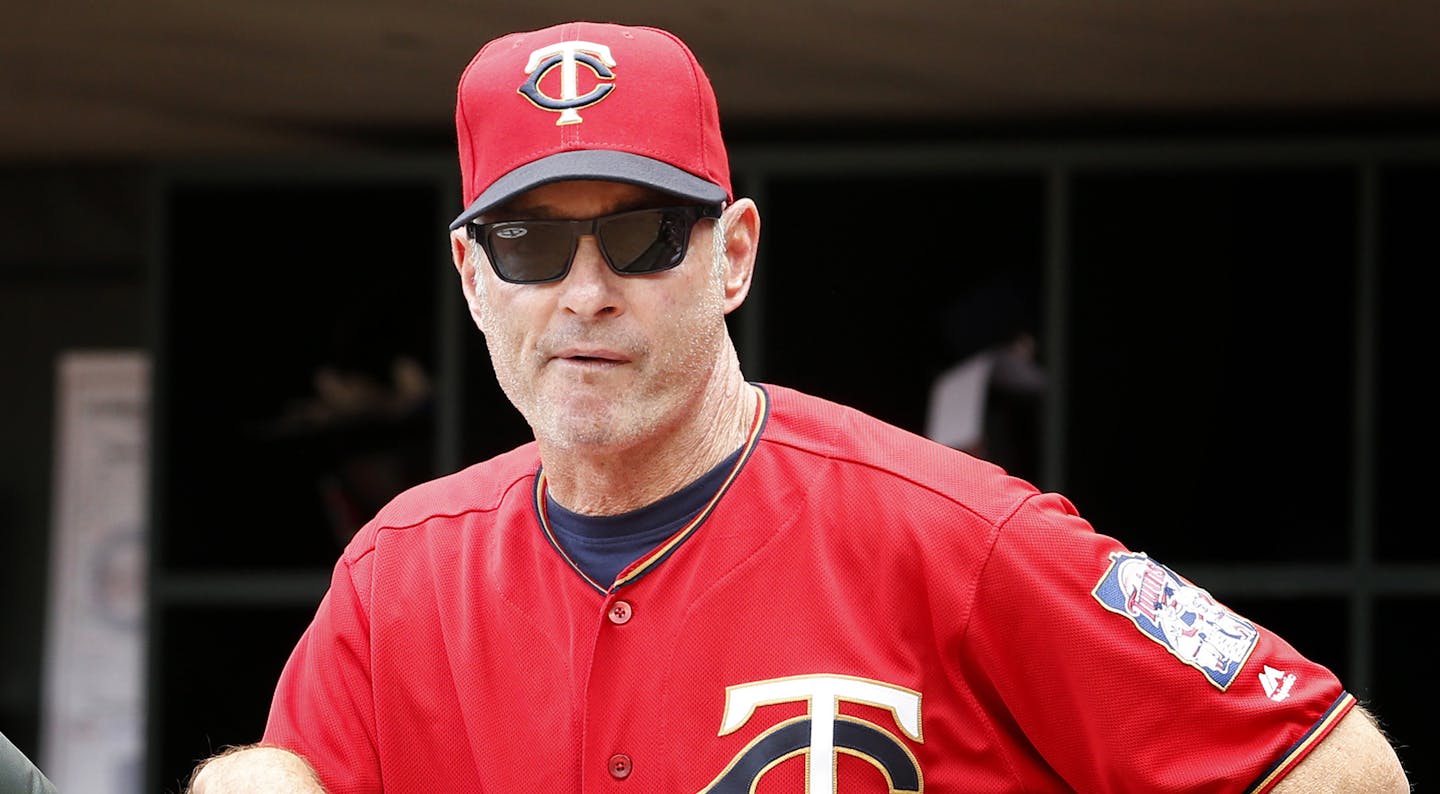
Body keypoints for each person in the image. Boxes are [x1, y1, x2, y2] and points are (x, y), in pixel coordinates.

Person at [187, 20, 1409, 793]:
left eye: (643, 233)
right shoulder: (401, 574)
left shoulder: (956, 534)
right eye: (528, 243)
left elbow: (1332, 766)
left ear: (734, 255)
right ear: (469, 276)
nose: (587, 291)